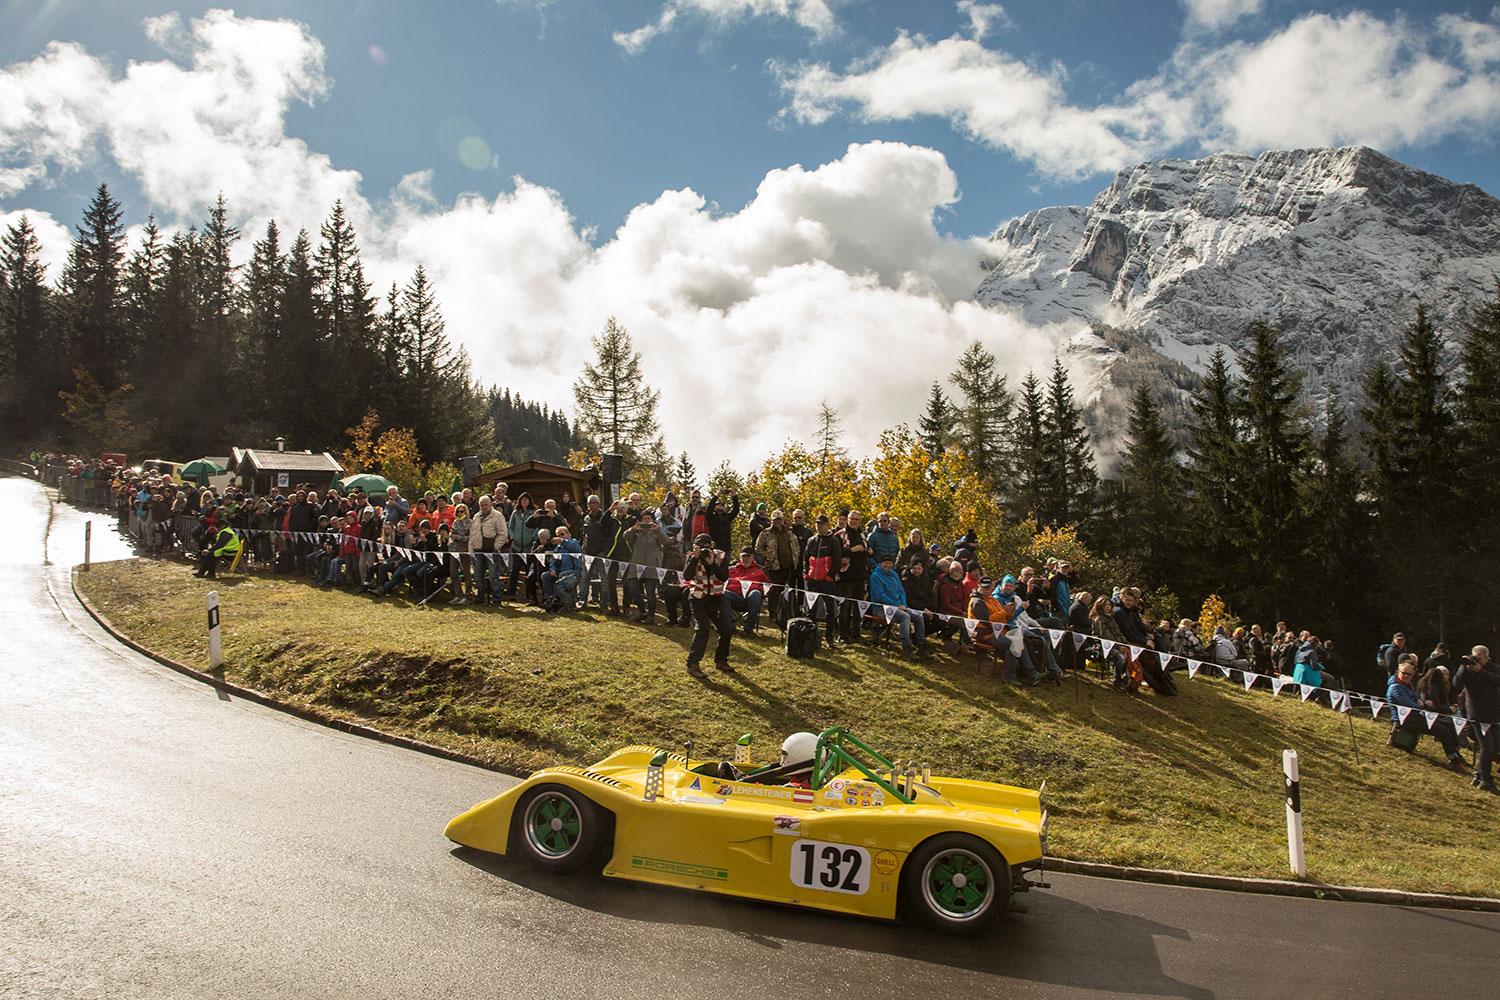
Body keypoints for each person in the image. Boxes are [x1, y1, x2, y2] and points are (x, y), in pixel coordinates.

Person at [1388, 653, 1467, 773]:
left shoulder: (1407, 685)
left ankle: (1457, 754)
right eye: (1403, 673)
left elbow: (1416, 698)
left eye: (1409, 674)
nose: (1406, 676)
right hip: (1407, 720)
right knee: (1443, 730)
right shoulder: (1396, 687)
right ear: (1398, 671)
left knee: (1449, 724)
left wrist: (1424, 702)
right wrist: (1423, 705)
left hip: (1416, 715)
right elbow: (1408, 704)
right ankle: (1454, 761)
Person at [683, 533, 733, 678]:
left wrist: (712, 564)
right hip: (698, 597)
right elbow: (687, 576)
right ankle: (692, 663)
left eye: (706, 546)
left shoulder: (721, 556)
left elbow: (724, 576)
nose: (704, 549)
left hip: (716, 598)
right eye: (700, 546)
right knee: (703, 629)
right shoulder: (691, 556)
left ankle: (721, 660)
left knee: (726, 630)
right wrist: (695, 558)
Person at [1452, 647, 1500, 792]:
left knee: (1495, 746)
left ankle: (1479, 774)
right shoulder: (1467, 670)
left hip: (1493, 714)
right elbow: (1456, 683)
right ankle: (1485, 779)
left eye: (1479, 659)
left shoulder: (1494, 668)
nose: (1476, 662)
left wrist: (1481, 671)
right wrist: (1463, 667)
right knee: (1487, 747)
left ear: (1486, 658)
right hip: (1477, 715)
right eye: (1474, 658)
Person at [870, 553, 925, 657]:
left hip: (899, 606)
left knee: (918, 616)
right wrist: (896, 605)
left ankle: (921, 644)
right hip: (881, 608)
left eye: (890, 563)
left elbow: (901, 591)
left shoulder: (894, 574)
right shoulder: (875, 576)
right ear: (881, 563)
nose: (888, 565)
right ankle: (906, 647)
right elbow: (880, 596)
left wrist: (903, 604)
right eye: (886, 563)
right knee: (905, 616)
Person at [801, 514, 842, 648]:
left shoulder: (833, 540)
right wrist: (805, 574)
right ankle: (810, 637)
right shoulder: (811, 540)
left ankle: (829, 638)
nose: (819, 526)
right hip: (812, 580)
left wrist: (830, 576)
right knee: (810, 610)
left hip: (827, 581)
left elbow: (837, 560)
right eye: (817, 524)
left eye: (822, 524)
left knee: (830, 610)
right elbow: (806, 558)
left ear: (827, 525)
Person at [624, 510, 670, 623]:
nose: (646, 521)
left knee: (650, 593)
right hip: (636, 565)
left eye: (649, 519)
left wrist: (658, 530)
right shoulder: (636, 532)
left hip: (652, 566)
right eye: (644, 519)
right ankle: (642, 612)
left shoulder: (656, 532)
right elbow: (625, 536)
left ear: (652, 520)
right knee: (633, 589)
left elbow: (667, 541)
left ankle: (650, 616)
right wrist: (634, 529)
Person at [469, 494, 509, 606]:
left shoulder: (498, 516)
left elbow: (503, 534)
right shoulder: (476, 516)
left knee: (493, 575)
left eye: (486, 504)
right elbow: (472, 534)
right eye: (481, 505)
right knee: (478, 575)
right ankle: (480, 597)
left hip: (492, 550)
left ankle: (496, 599)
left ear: (490, 504)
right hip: (478, 549)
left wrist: (496, 546)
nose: (484, 507)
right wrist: (470, 551)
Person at [836, 511, 870, 643]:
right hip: (846, 576)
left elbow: (865, 549)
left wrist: (868, 551)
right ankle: (842, 634)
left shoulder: (862, 535)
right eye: (852, 519)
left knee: (858, 606)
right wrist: (851, 550)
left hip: (860, 575)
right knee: (845, 606)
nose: (855, 521)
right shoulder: (840, 535)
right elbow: (836, 553)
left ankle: (856, 633)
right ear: (847, 520)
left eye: (857, 519)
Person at [724, 547, 771, 635]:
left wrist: (758, 589)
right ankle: (730, 626)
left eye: (748, 556)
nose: (745, 559)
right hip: (733, 596)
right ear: (740, 557)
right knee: (722, 594)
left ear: (753, 557)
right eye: (743, 556)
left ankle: (748, 628)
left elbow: (769, 586)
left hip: (751, 598)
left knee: (756, 594)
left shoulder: (760, 570)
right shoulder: (731, 569)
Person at [542, 525, 582, 612]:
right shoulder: (558, 548)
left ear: (568, 534)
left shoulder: (573, 542)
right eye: (558, 535)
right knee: (545, 576)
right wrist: (552, 569)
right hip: (560, 571)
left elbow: (576, 549)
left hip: (574, 571)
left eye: (562, 534)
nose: (560, 537)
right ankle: (549, 599)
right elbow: (553, 561)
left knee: (562, 575)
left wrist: (563, 541)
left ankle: (562, 602)